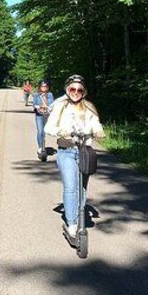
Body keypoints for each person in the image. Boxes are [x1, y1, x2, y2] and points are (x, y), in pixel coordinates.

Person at [44, 74, 105, 238]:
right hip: (67, 151)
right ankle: (72, 223)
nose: (76, 92)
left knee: (82, 188)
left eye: (79, 89)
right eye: (72, 89)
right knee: (71, 187)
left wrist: (98, 131)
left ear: (84, 91)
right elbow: (48, 127)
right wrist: (60, 132)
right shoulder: (61, 106)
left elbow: (95, 123)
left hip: (84, 151)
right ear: (67, 90)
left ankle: (80, 216)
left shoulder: (89, 107)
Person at [32, 79, 54, 160]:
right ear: (40, 87)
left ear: (48, 87)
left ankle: (43, 144)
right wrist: (38, 107)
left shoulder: (50, 95)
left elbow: (52, 105)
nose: (44, 88)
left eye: (46, 86)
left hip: (47, 115)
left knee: (44, 132)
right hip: (39, 115)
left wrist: (48, 108)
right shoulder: (36, 95)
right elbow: (34, 105)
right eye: (42, 86)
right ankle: (41, 148)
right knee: (40, 131)